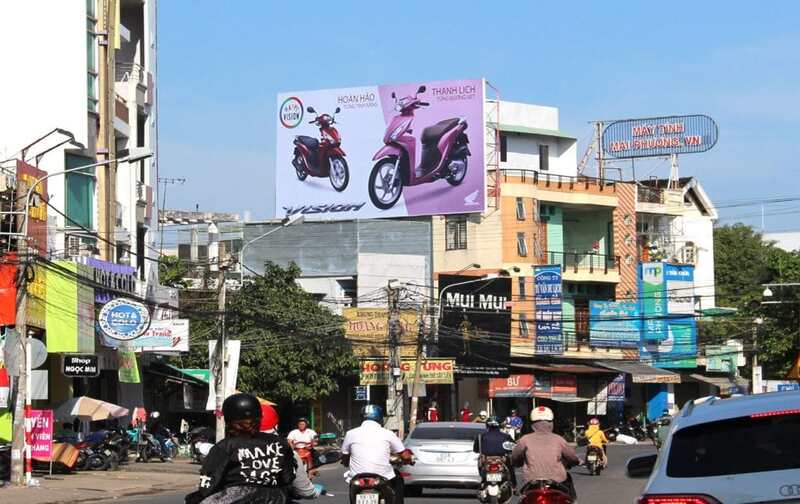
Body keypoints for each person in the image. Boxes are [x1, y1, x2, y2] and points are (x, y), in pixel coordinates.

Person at [185, 393, 296, 504]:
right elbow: (288, 478)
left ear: (228, 421)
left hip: (234, 498)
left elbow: (207, 487)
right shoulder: (281, 443)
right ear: (259, 418)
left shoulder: (224, 447)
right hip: (276, 498)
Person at [341, 404, 413, 504]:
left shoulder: (350, 433)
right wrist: (409, 460)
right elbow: (405, 455)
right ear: (380, 418)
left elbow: (345, 456)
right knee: (398, 480)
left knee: (352, 487)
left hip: (357, 478)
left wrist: (346, 462)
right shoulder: (388, 433)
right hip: (383, 476)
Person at [511, 406, 580, 500]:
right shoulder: (559, 440)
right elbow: (572, 457)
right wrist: (577, 461)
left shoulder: (525, 439)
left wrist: (516, 463)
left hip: (531, 482)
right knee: (569, 498)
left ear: (533, 424)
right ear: (551, 423)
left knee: (522, 499)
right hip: (557, 482)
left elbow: (515, 457)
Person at [259, 403, 323, 501]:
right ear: (275, 425)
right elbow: (306, 491)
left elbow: (315, 441)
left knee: (315, 455)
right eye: (300, 423)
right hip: (276, 498)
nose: (301, 425)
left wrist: (311, 445)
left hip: (307, 449)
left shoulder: (228, 447)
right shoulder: (288, 452)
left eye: (303, 423)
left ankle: (313, 469)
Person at [473, 416, 517, 490]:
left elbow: (475, 449)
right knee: (511, 468)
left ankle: (483, 481)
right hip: (502, 460)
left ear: (487, 425)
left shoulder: (480, 437)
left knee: (480, 464)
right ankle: (514, 487)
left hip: (486, 460)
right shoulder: (506, 436)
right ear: (499, 425)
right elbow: (514, 447)